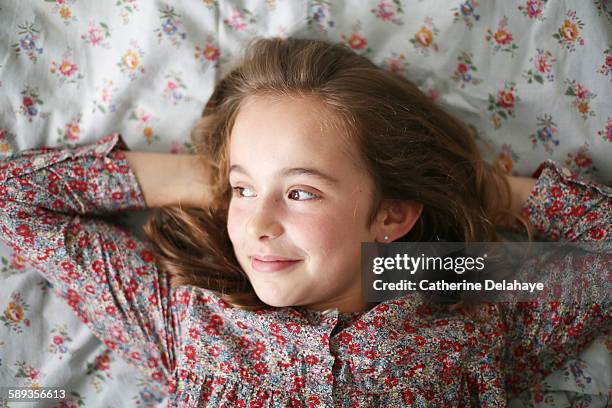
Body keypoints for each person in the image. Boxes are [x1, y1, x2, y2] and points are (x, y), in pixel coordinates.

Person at [0, 37, 609, 407]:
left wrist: (480, 190)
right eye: (245, 189)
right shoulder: (188, 322)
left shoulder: (465, 309)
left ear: (390, 213)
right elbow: (14, 202)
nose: (258, 224)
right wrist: (208, 181)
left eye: (300, 191)